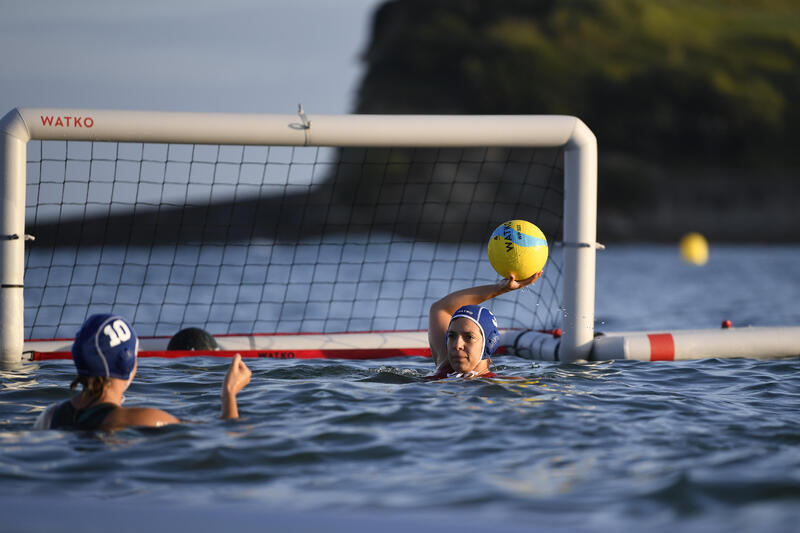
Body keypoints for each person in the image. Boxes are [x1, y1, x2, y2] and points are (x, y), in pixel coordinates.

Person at [33, 313, 251, 430]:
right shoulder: (145, 419)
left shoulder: (49, 416)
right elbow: (227, 434)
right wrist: (229, 393)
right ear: (128, 364)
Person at [426, 272, 543, 380]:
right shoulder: (445, 364)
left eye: (469, 337)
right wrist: (499, 288)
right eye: (452, 336)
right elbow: (439, 308)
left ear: (489, 344)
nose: (457, 345)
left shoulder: (504, 385)